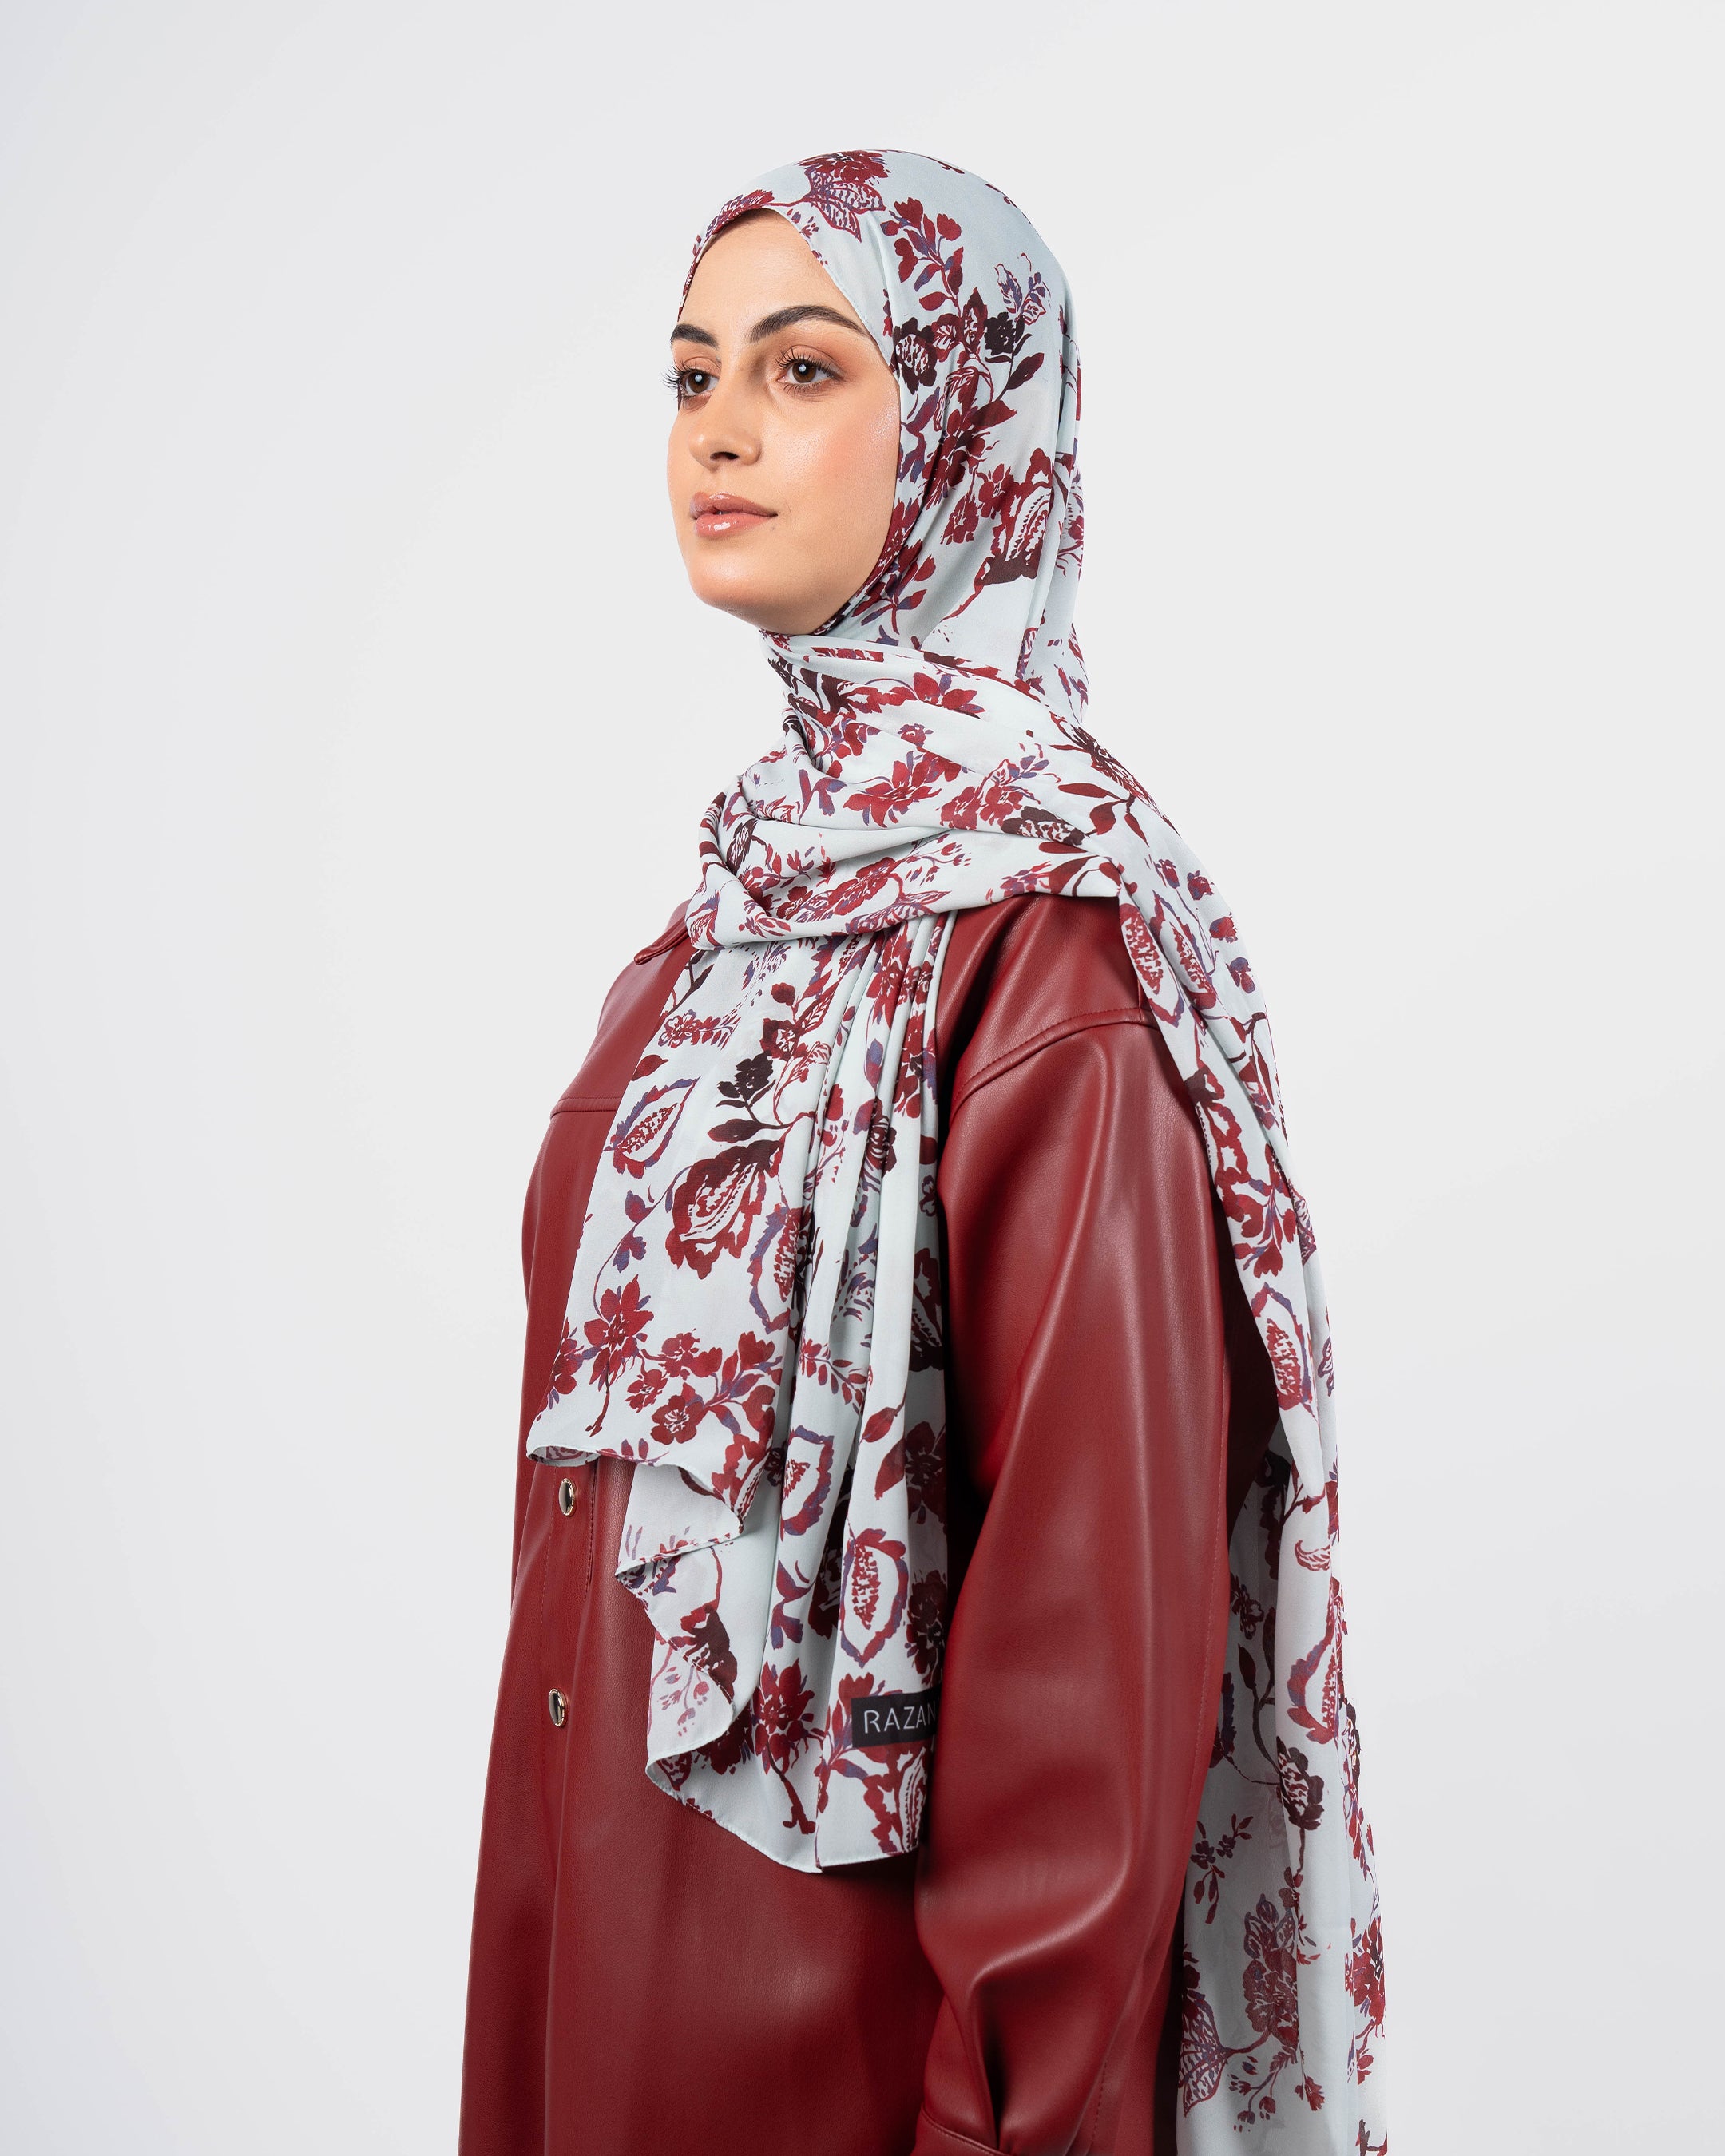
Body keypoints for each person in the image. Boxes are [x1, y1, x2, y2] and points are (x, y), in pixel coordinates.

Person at [458, 150, 1387, 2156]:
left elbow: (1089, 1671)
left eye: (802, 370)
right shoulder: (706, 947)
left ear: (971, 425)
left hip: (852, 2082)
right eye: (692, 374)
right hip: (589, 2020)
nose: (718, 429)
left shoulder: (1053, 961)